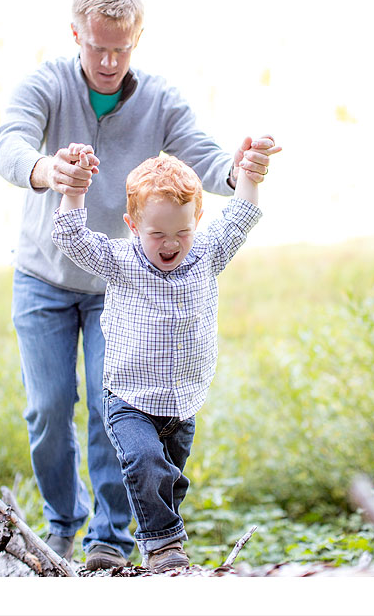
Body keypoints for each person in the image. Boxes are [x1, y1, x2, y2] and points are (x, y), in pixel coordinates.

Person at [0, 0, 280, 568]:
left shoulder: (161, 100)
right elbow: (9, 147)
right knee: (47, 409)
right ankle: (64, 519)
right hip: (44, 276)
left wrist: (242, 167)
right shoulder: (45, 85)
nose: (108, 61)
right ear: (76, 35)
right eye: (97, 47)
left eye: (121, 49)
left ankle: (111, 539)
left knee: (115, 408)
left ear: (137, 40)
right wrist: (50, 172)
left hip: (124, 284)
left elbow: (207, 160)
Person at [51, 151, 262, 572]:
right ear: (133, 227)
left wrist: (251, 175)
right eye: (157, 233)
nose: (170, 244)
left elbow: (241, 214)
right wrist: (74, 192)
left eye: (182, 232)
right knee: (145, 463)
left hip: (183, 403)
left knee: (169, 480)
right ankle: (164, 549)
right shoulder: (122, 260)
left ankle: (160, 543)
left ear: (197, 222)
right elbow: (71, 238)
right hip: (129, 397)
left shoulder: (207, 256)